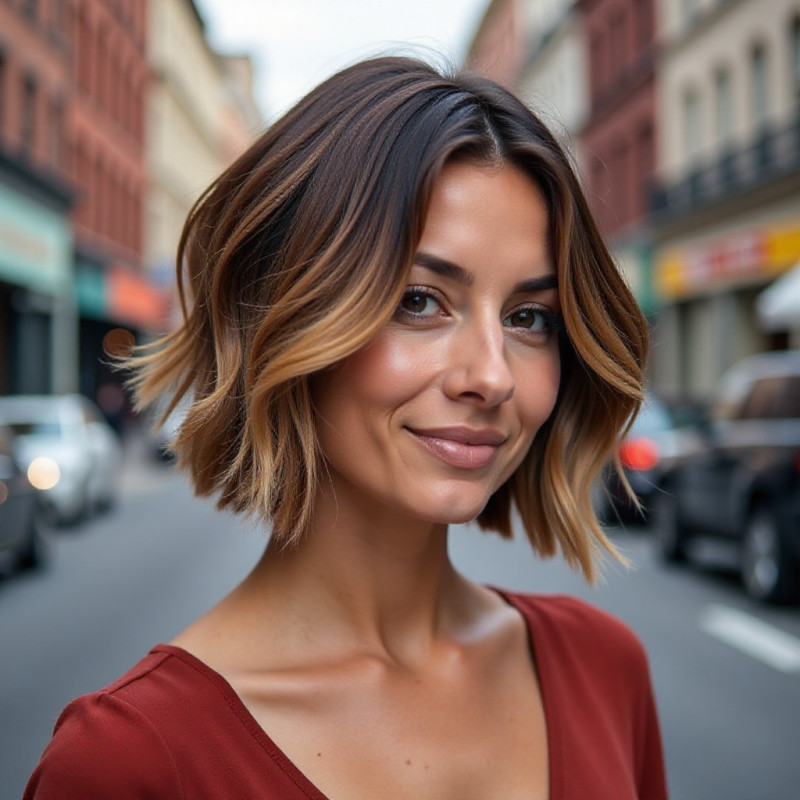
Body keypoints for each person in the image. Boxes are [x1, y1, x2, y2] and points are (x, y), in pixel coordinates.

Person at [24, 56, 667, 799]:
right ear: (288, 314)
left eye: (529, 318)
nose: (491, 375)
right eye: (420, 301)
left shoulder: (605, 667)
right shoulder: (127, 763)